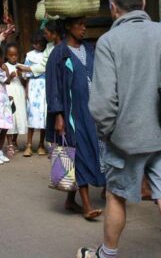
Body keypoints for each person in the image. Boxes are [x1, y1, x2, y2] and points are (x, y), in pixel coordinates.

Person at [77, 0, 161, 258]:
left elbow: (103, 102)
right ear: (143, 5)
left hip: (127, 139)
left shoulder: (108, 42)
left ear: (113, 8)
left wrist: (109, 134)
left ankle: (107, 253)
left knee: (116, 197)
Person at [46, 16, 105, 221]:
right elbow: (53, 87)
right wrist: (58, 115)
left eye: (84, 24)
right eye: (79, 24)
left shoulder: (89, 49)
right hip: (72, 113)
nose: (83, 28)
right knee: (78, 153)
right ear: (68, 27)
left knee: (84, 151)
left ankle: (71, 200)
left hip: (91, 111)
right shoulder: (59, 54)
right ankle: (87, 206)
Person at [22, 31, 48, 157]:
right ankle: (29, 145)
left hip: (44, 86)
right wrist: (26, 88)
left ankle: (41, 144)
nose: (38, 46)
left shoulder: (47, 54)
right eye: (36, 44)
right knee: (32, 115)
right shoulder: (29, 55)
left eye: (41, 43)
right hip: (33, 85)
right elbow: (26, 74)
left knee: (43, 116)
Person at [5, 43, 28, 156]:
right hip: (9, 92)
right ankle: (9, 143)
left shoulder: (21, 66)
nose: (13, 57)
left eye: (15, 55)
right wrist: (10, 76)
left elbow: (24, 82)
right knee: (11, 116)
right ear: (7, 56)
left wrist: (20, 75)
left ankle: (14, 140)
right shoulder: (4, 66)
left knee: (19, 115)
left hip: (19, 92)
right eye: (11, 55)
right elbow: (5, 82)